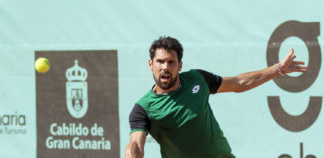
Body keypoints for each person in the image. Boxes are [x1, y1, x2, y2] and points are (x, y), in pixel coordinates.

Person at [124, 36, 307, 158]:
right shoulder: (143, 109)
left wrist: (278, 69)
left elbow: (239, 83)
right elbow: (137, 145)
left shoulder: (198, 79)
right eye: (160, 61)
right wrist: (130, 152)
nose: (165, 67)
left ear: (180, 66)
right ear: (150, 64)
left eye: (171, 62)